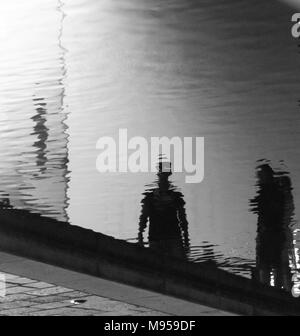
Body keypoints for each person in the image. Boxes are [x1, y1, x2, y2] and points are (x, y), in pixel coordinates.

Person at [138, 161, 190, 259]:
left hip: (168, 237)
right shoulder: (152, 197)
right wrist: (140, 235)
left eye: (165, 174)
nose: (164, 177)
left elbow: (183, 219)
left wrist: (186, 238)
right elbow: (143, 217)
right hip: (161, 238)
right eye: (163, 173)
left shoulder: (174, 197)